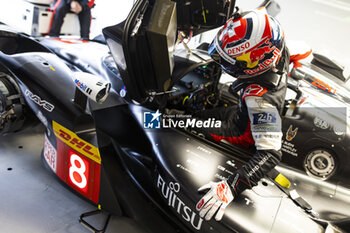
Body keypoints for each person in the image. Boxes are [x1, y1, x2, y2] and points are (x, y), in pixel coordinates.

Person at [195, 7, 290, 221]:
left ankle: (155, 119)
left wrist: (230, 187)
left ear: (258, 60)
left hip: (240, 132)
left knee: (183, 122)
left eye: (233, 59)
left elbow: (270, 154)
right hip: (240, 112)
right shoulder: (279, 45)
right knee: (202, 114)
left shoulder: (261, 102)